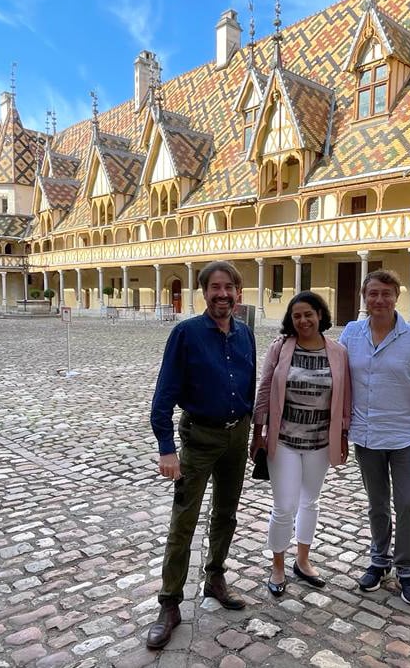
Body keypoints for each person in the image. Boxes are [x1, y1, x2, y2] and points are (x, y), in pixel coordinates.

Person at [146, 260, 256, 650]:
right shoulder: (186, 334)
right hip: (199, 438)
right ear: (204, 292)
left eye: (229, 288)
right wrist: (166, 449)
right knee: (184, 522)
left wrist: (254, 436)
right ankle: (170, 603)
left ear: (238, 293)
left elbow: (249, 385)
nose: (222, 294)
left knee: (226, 514)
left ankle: (215, 577)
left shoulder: (245, 333)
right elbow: (163, 396)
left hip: (236, 437)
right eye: (215, 288)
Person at [338, 269, 410, 606]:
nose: (379, 300)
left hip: (406, 438)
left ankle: (406, 569)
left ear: (397, 296)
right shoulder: (351, 333)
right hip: (366, 437)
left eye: (386, 293)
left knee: (406, 504)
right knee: (377, 505)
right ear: (365, 297)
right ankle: (380, 561)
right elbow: (336, 375)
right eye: (373, 294)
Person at [250, 291, 351, 596]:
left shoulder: (338, 352)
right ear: (290, 320)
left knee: (311, 501)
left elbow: (345, 396)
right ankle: (278, 566)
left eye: (309, 314)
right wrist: (258, 433)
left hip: (320, 441)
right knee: (284, 506)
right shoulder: (281, 348)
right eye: (297, 316)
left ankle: (303, 560)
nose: (303, 320)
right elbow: (265, 388)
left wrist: (343, 434)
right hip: (284, 441)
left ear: (320, 315)